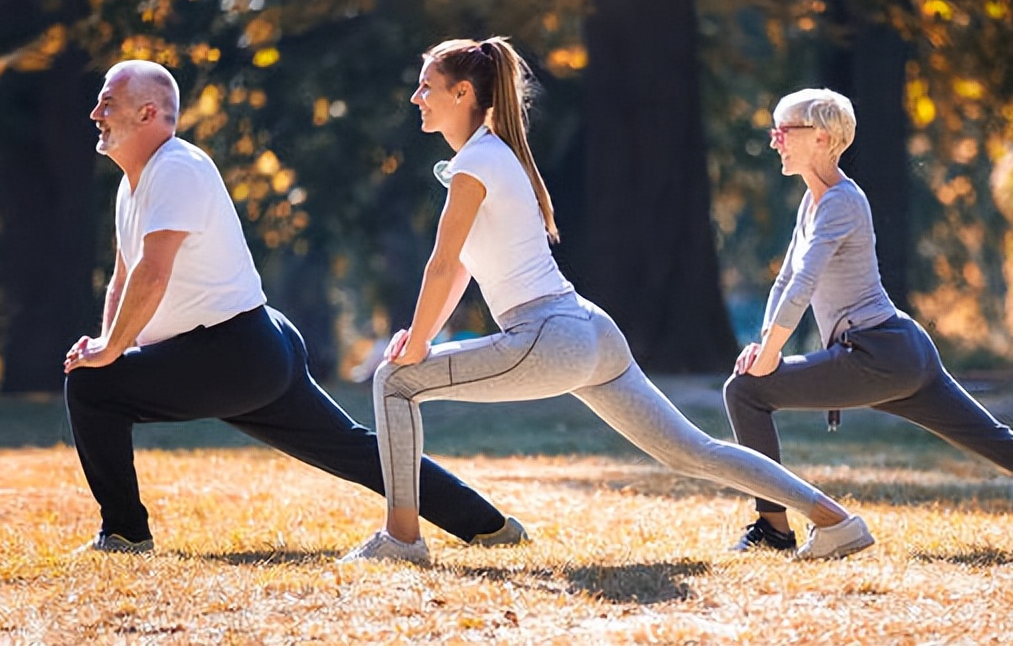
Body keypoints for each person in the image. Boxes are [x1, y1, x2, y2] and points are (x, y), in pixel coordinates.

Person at [342, 37, 872, 566]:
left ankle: (402, 539)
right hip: (590, 330)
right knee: (692, 451)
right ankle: (835, 522)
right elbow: (459, 268)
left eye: (426, 87)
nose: (416, 98)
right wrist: (423, 338)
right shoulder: (494, 155)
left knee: (395, 381)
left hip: (550, 336)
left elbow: (439, 264)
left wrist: (414, 347)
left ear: (461, 93)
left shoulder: (475, 163)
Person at [63, 60, 525, 555]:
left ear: (147, 113)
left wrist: (110, 353)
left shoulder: (176, 168)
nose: (95, 114)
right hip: (250, 347)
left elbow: (152, 273)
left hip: (233, 353)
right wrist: (108, 340)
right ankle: (490, 526)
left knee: (92, 387)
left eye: (107, 104)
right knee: (351, 449)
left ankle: (125, 532)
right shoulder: (131, 186)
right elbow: (125, 277)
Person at [723, 87, 1013, 553]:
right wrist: (762, 344)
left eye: (784, 130)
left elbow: (804, 284)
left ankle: (773, 530)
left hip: (878, 355)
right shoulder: (812, 203)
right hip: (899, 349)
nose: (775, 140)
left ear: (823, 138)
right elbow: (785, 280)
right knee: (1001, 442)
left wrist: (770, 355)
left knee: (746, 391)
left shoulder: (841, 202)